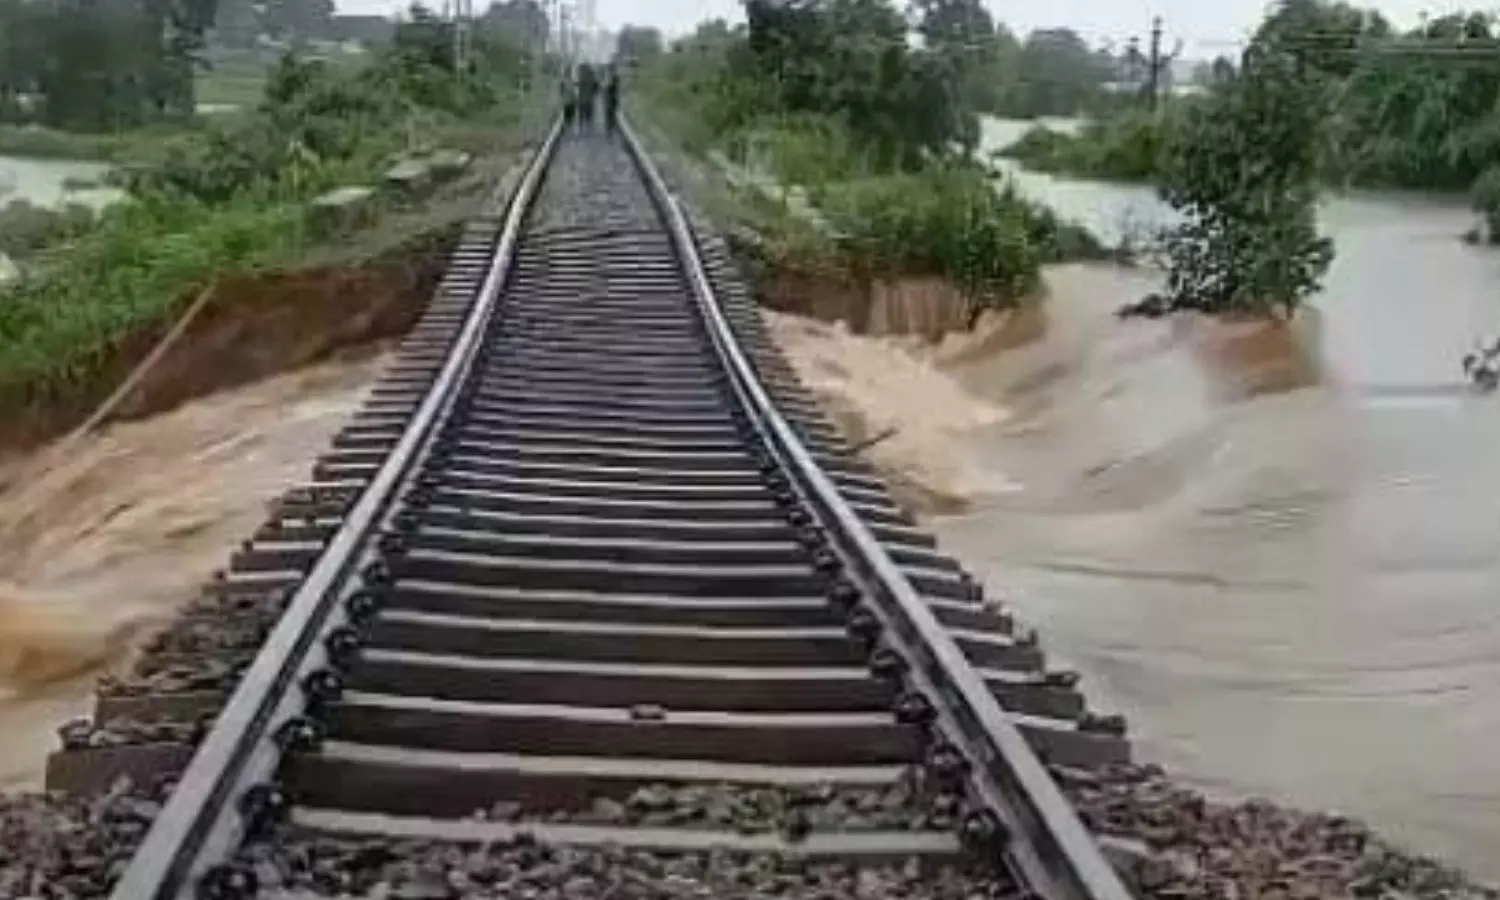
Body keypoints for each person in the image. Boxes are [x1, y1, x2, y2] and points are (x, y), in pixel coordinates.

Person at [603, 65, 620, 133]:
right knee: (611, 115)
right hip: (611, 100)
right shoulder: (613, 78)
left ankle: (610, 129)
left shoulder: (609, 79)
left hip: (611, 100)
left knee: (610, 115)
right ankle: (610, 129)